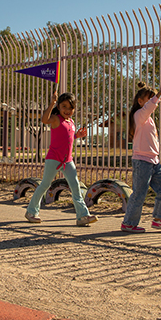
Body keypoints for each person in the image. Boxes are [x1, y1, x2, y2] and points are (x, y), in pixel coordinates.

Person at [25, 91, 98, 227]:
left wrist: (77, 136)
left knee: (75, 186)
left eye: (70, 108)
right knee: (45, 185)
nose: (67, 110)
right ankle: (31, 212)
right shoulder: (56, 118)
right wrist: (52, 103)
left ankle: (82, 215)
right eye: (64, 106)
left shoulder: (71, 122)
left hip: (67, 161)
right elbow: (44, 120)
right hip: (53, 158)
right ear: (58, 107)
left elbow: (66, 138)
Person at [121, 81, 161, 233]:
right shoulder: (139, 115)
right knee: (139, 192)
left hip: (154, 162)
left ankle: (158, 219)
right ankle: (129, 223)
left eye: (153, 98)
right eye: (149, 99)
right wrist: (160, 92)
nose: (153, 102)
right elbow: (150, 106)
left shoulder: (149, 119)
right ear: (140, 102)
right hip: (142, 161)